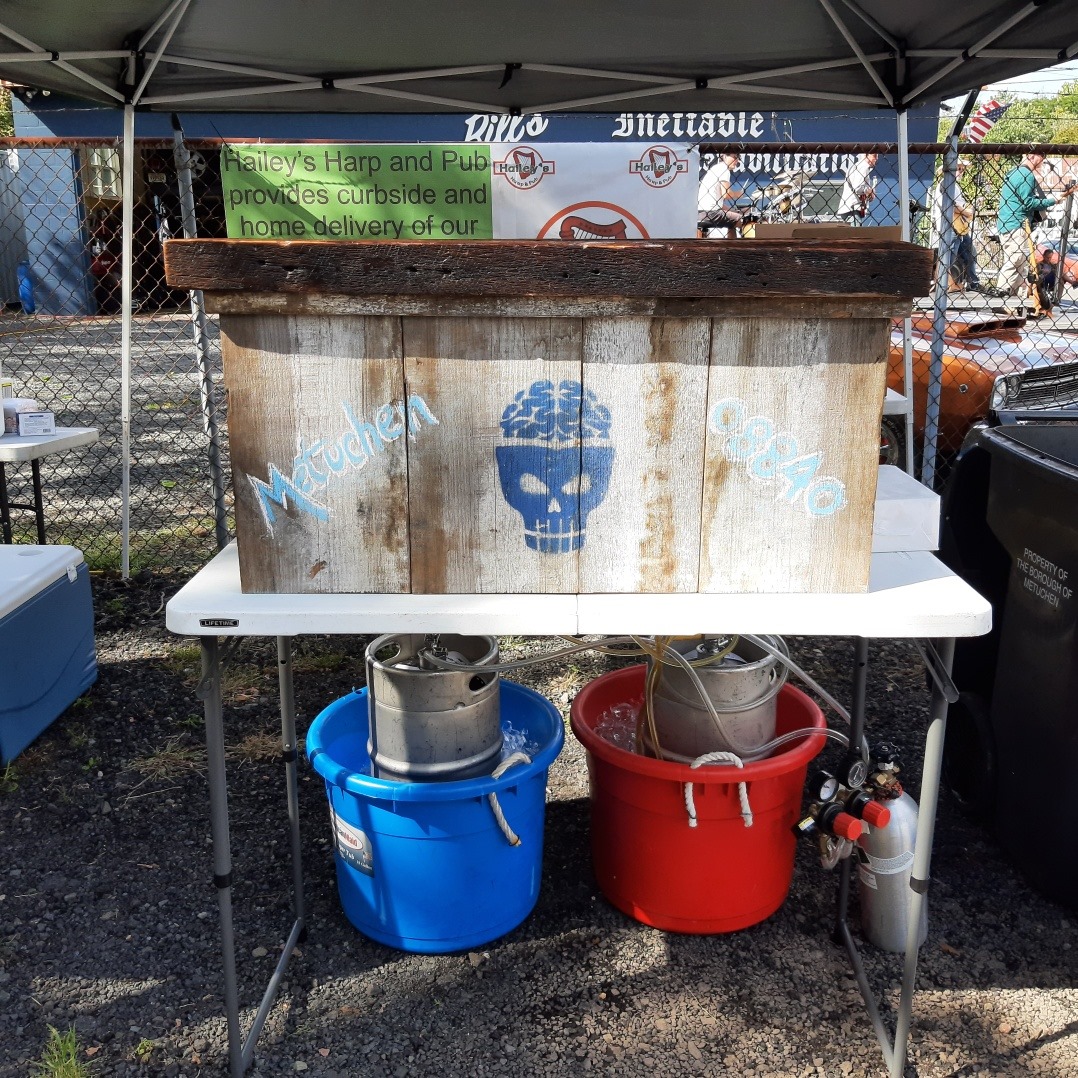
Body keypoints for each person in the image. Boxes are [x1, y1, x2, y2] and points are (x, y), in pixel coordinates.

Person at [994, 151, 1073, 297]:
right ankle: (1001, 292)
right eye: (1040, 156)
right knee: (1016, 259)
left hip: (1008, 223)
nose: (1042, 160)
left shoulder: (1013, 172)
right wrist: (1052, 200)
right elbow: (1028, 202)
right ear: (1031, 156)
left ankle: (1010, 296)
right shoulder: (1026, 175)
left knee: (1019, 262)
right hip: (1018, 223)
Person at [931, 159, 983, 292]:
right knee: (948, 257)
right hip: (949, 226)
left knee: (968, 253)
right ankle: (945, 284)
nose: (961, 171)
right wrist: (967, 212)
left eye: (962, 169)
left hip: (958, 226)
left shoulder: (954, 186)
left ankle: (972, 282)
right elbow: (951, 205)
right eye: (958, 168)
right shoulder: (946, 184)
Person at [697, 151, 744, 237]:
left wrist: (733, 211)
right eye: (734, 157)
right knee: (743, 221)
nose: (737, 160)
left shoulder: (716, 168)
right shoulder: (724, 169)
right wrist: (738, 194)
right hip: (711, 213)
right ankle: (735, 245)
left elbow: (717, 203)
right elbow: (726, 194)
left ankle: (731, 245)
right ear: (724, 156)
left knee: (732, 220)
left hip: (700, 213)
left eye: (738, 158)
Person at [837, 152, 877, 223]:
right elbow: (858, 188)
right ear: (866, 155)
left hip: (850, 207)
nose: (876, 158)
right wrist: (870, 191)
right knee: (855, 230)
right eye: (874, 156)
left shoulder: (858, 166)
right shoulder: (863, 167)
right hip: (853, 209)